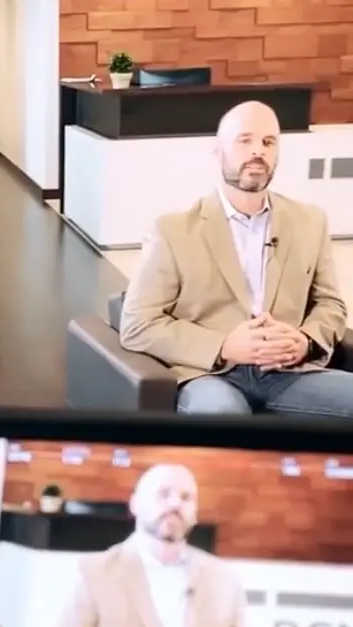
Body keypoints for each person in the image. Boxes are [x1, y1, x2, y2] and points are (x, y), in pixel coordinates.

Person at [118, 100, 352, 416]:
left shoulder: (310, 221)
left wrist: (305, 341)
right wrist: (224, 346)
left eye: (268, 142)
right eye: (245, 140)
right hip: (210, 376)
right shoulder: (172, 230)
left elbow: (331, 304)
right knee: (225, 419)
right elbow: (137, 324)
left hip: (287, 373)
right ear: (219, 152)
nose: (258, 150)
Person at [32, 464, 260, 627]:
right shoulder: (93, 573)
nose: (175, 504)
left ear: (195, 513)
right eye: (163, 494)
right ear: (135, 505)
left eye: (186, 498)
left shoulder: (225, 579)